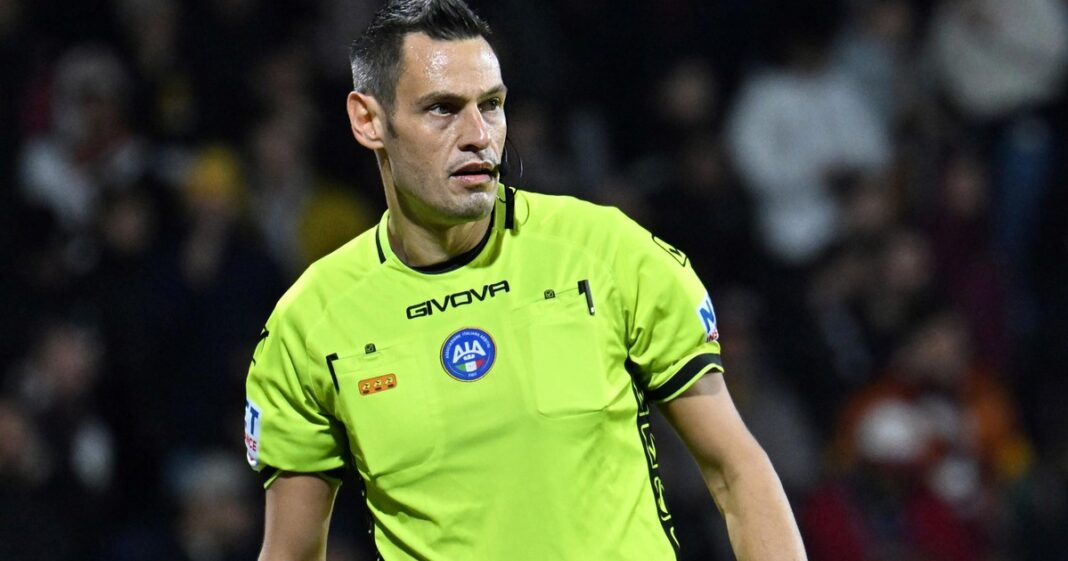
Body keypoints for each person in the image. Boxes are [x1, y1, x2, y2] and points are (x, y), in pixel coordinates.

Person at [244, 1, 807, 560]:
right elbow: (290, 553)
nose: (478, 135)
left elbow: (737, 472)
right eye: (442, 109)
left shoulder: (609, 253)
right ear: (369, 121)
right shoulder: (309, 324)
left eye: (491, 105)